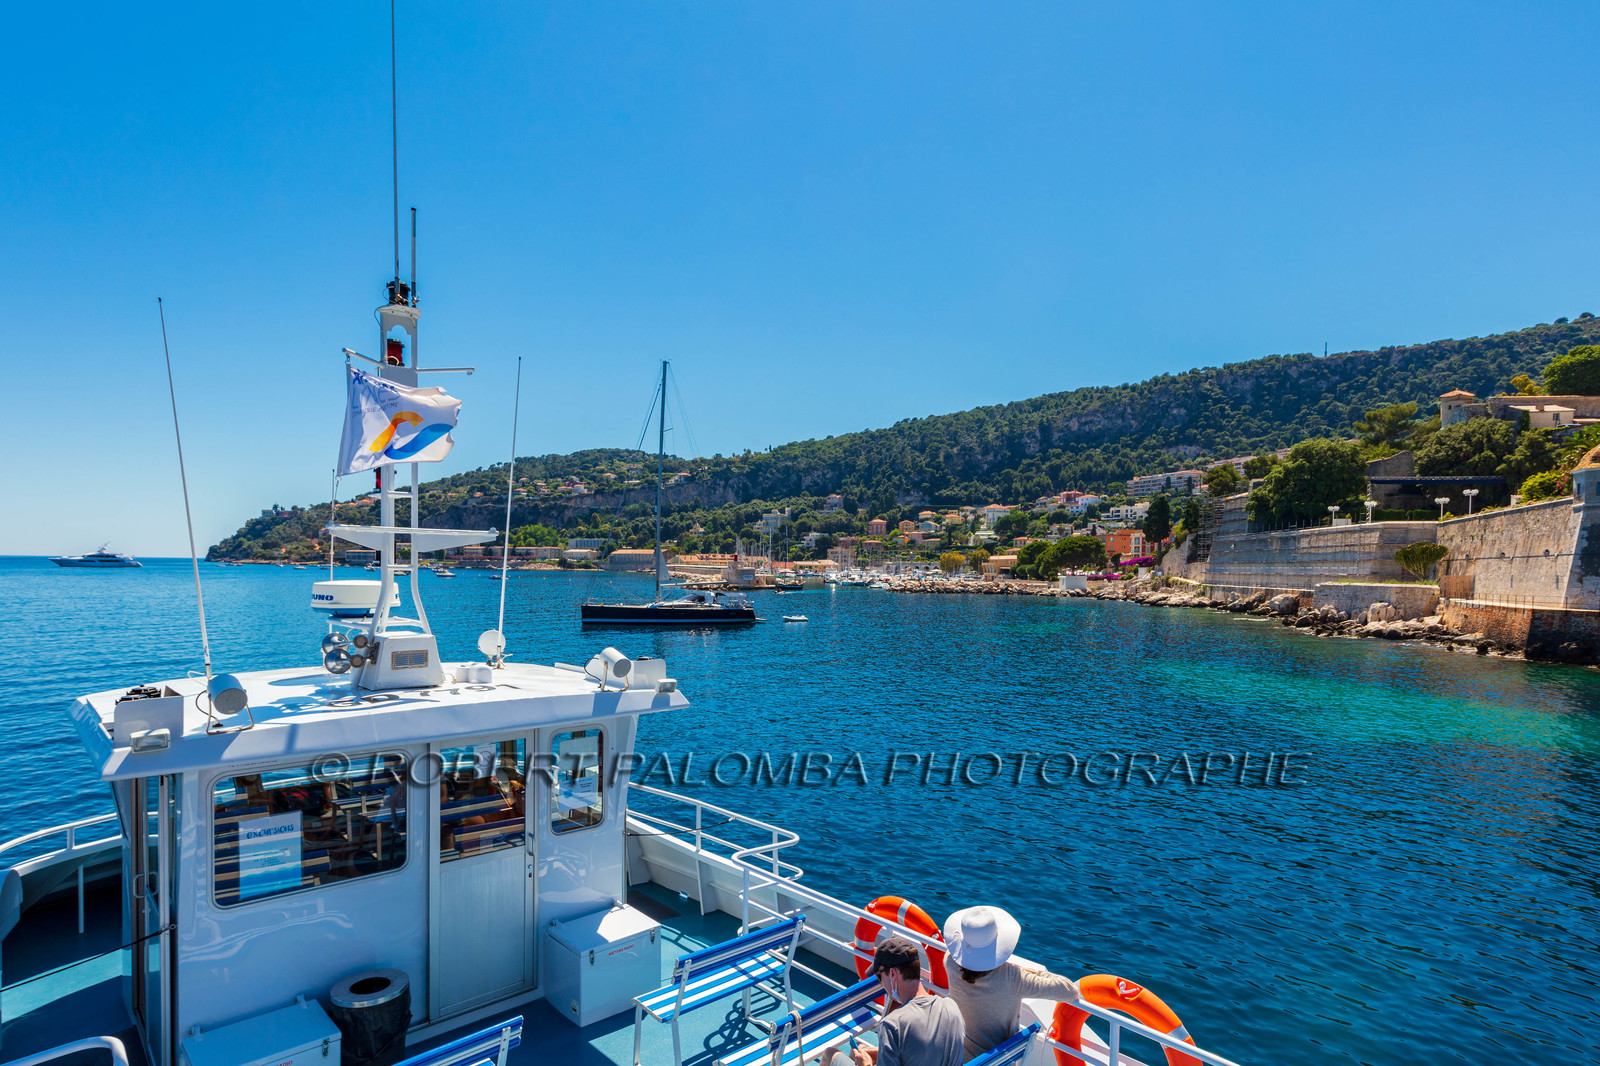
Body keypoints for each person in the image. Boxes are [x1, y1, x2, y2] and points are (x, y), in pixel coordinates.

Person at [941, 906, 1081, 1058]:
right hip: (1000, 1060)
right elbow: (1070, 991)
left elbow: (958, 956)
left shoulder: (950, 963)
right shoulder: (1014, 978)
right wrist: (1031, 972)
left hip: (958, 1054)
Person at [832, 936, 965, 1066]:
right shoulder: (951, 1006)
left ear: (893, 974)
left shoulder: (893, 1025)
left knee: (830, 1054)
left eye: (879, 976)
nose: (881, 983)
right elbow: (930, 1050)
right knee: (859, 1049)